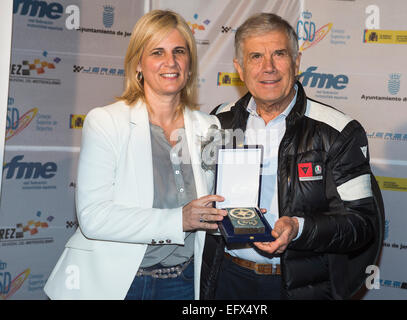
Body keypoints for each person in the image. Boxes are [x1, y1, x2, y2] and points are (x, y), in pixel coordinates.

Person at [44, 10, 227, 300]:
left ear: (190, 65)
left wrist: (246, 217)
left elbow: (214, 204)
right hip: (118, 283)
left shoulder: (210, 126)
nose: (171, 62)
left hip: (185, 282)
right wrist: (178, 220)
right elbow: (93, 217)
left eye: (179, 51)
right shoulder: (106, 122)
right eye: (158, 52)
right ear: (138, 64)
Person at [200, 13, 384, 300]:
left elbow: (362, 223)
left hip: (300, 285)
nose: (268, 67)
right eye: (256, 56)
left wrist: (299, 228)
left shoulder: (337, 131)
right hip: (227, 278)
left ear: (297, 62)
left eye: (279, 54)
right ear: (239, 67)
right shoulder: (218, 121)